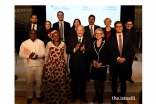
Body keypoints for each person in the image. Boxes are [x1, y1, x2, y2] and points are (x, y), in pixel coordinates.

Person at [43, 31, 71, 104]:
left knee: (60, 81)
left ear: (60, 36)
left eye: (57, 36)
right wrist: (45, 64)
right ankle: (51, 99)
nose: (56, 37)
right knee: (51, 81)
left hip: (60, 65)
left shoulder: (63, 44)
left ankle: (61, 98)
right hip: (51, 65)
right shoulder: (49, 44)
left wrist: (66, 65)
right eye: (54, 36)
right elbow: (46, 54)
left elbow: (65, 55)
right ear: (52, 37)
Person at [109, 21, 133, 104]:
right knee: (114, 81)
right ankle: (114, 96)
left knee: (123, 81)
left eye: (120, 26)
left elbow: (130, 50)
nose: (119, 28)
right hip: (115, 62)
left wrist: (124, 58)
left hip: (124, 63)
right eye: (117, 26)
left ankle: (122, 96)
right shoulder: (111, 38)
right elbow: (110, 50)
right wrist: (118, 58)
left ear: (123, 27)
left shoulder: (127, 37)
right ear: (115, 28)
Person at [66, 25, 92, 103]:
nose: (79, 32)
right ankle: (74, 96)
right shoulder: (72, 39)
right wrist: (75, 49)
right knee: (74, 82)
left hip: (84, 65)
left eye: (81, 30)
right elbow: (68, 50)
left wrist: (84, 50)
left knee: (83, 82)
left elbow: (90, 51)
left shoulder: (88, 39)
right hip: (74, 65)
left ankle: (83, 96)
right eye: (78, 30)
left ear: (83, 31)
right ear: (76, 31)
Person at [19, 29, 45, 104]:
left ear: (36, 34)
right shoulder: (24, 43)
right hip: (28, 65)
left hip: (39, 65)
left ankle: (39, 96)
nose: (33, 35)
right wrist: (28, 56)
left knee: (39, 82)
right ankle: (29, 97)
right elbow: (21, 54)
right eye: (31, 33)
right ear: (29, 34)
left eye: (34, 33)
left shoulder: (41, 42)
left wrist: (38, 56)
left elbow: (43, 53)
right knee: (29, 82)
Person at [90, 28, 109, 103]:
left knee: (101, 82)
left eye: (99, 33)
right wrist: (93, 61)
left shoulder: (106, 43)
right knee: (96, 81)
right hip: (94, 65)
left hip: (102, 65)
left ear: (102, 34)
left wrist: (101, 63)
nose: (98, 35)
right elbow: (91, 53)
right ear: (95, 35)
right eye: (96, 33)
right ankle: (97, 95)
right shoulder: (92, 43)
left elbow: (107, 55)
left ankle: (101, 96)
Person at [84, 14, 101, 82]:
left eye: (92, 19)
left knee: (96, 61)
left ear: (94, 20)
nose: (91, 20)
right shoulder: (84, 28)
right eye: (90, 19)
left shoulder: (98, 27)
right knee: (87, 63)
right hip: (88, 48)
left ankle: (95, 76)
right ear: (88, 20)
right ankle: (88, 76)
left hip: (96, 47)